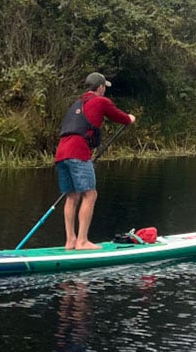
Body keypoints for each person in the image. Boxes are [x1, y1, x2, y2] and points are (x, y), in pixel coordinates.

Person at [54, 72, 136, 250]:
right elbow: (120, 117)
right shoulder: (101, 101)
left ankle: (70, 241)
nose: (104, 90)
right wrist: (129, 118)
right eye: (104, 87)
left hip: (61, 153)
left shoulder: (76, 104)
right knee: (90, 195)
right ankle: (82, 241)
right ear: (100, 87)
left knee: (71, 195)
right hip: (78, 152)